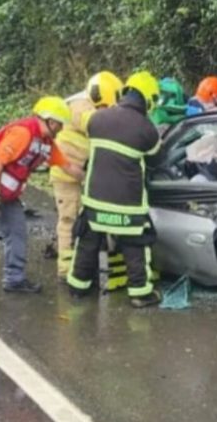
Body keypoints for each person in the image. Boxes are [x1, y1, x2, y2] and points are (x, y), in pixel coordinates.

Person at [0, 96, 79, 310]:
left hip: (8, 191)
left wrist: (92, 177)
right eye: (59, 124)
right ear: (50, 121)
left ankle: (14, 278)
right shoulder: (23, 133)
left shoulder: (47, 144)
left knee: (17, 231)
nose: (61, 129)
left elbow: (68, 167)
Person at [67, 71, 163, 308]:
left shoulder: (97, 119)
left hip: (95, 201)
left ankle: (78, 287)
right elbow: (156, 162)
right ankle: (140, 293)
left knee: (87, 243)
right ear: (149, 100)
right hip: (128, 206)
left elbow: (78, 120)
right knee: (135, 248)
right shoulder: (148, 130)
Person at [51, 71, 122, 278]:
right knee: (68, 219)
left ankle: (82, 263)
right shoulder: (80, 106)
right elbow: (96, 124)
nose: (106, 110)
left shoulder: (91, 103)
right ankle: (66, 269)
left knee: (86, 219)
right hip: (66, 174)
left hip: (84, 172)